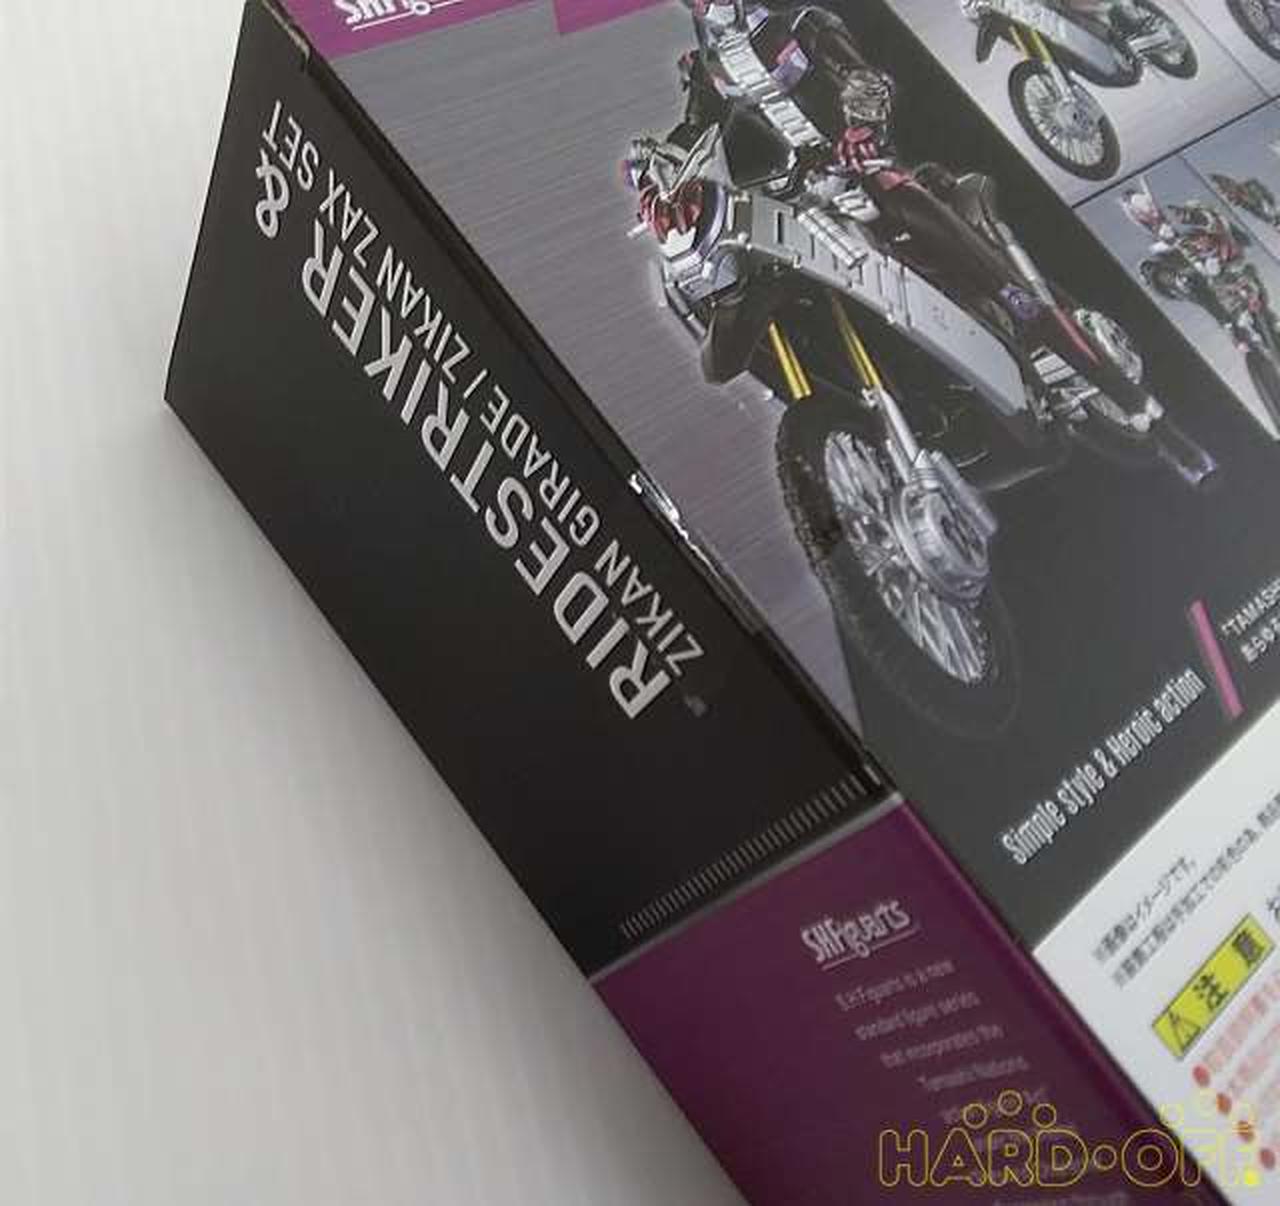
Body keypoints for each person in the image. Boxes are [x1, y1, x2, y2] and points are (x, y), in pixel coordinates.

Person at [628, 0, 1153, 416]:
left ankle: (1125, 394)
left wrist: (859, 126)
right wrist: (653, 175)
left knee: (997, 283)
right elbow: (693, 135)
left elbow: (864, 76)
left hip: (870, 172)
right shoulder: (711, 67)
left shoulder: (801, 24)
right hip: (809, 195)